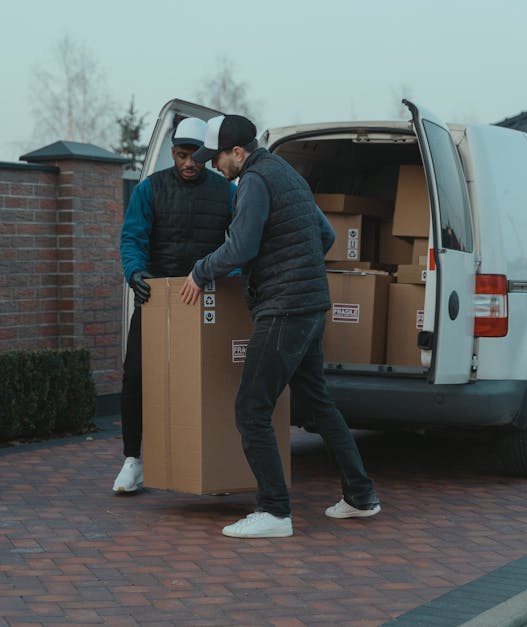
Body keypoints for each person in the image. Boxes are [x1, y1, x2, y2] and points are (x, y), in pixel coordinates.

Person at [180, 114, 380, 538]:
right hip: (309, 305)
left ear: (237, 152)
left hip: (284, 308)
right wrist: (292, 259)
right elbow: (324, 236)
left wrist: (200, 271)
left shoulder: (253, 180)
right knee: (319, 403)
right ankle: (361, 497)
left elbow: (242, 245)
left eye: (216, 158)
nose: (212, 166)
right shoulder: (287, 174)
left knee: (251, 410)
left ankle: (274, 512)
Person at [113, 116, 236, 493]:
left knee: (209, 381)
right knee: (136, 377)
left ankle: (215, 461)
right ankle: (132, 461)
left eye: (196, 157)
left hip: (207, 299)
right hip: (157, 298)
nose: (188, 164)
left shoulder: (227, 192)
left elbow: (240, 240)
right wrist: (135, 274)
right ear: (172, 153)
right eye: (182, 156)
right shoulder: (149, 190)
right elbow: (132, 237)